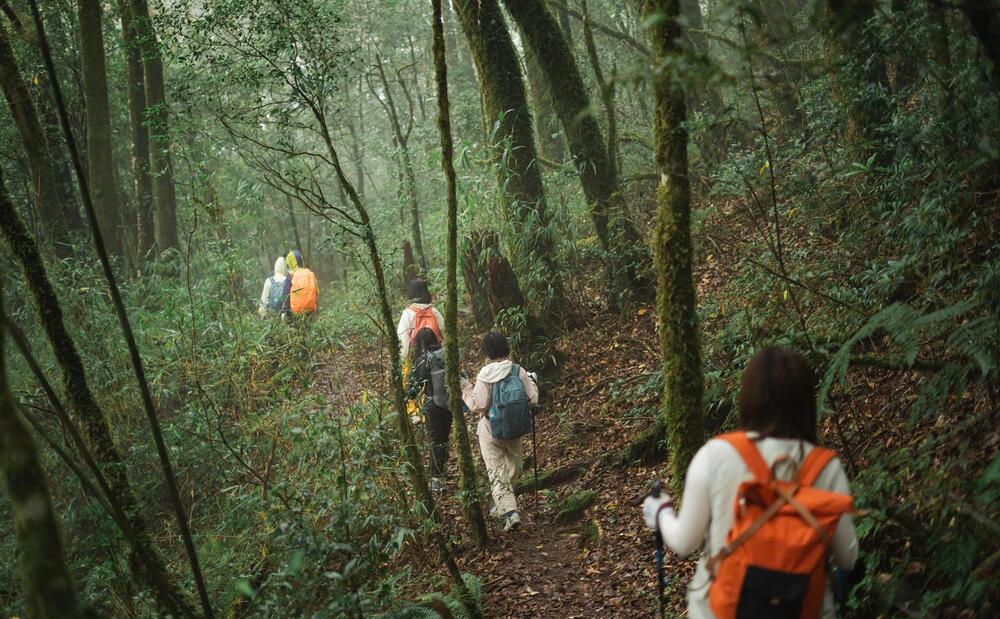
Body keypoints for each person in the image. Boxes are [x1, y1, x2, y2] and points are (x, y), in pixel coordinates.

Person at [642, 347, 858, 619]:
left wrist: (661, 513)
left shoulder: (715, 455)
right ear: (807, 402)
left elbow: (685, 542)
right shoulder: (827, 468)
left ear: (748, 398)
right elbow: (847, 558)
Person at [462, 331, 538, 532]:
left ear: (486, 353)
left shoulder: (485, 375)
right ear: (507, 348)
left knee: (496, 471)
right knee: (514, 468)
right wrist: (533, 382)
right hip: (515, 429)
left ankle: (509, 512)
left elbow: (478, 405)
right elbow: (533, 399)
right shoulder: (518, 371)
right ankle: (503, 505)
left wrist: (465, 390)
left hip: (490, 430)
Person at [406, 327, 452, 493]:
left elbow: (413, 390)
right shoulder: (446, 354)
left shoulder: (423, 360)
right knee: (444, 436)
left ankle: (436, 478)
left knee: (435, 440)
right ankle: (441, 468)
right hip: (450, 404)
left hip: (433, 406)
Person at [397, 278, 444, 360]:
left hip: (416, 356)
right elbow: (445, 330)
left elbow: (403, 337)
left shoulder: (408, 313)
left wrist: (403, 359)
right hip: (436, 355)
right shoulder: (434, 311)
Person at [282, 250, 318, 316]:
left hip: (296, 312)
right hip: (310, 310)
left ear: (290, 263)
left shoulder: (291, 275)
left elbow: (286, 295)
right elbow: (317, 292)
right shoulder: (310, 273)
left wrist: (284, 311)